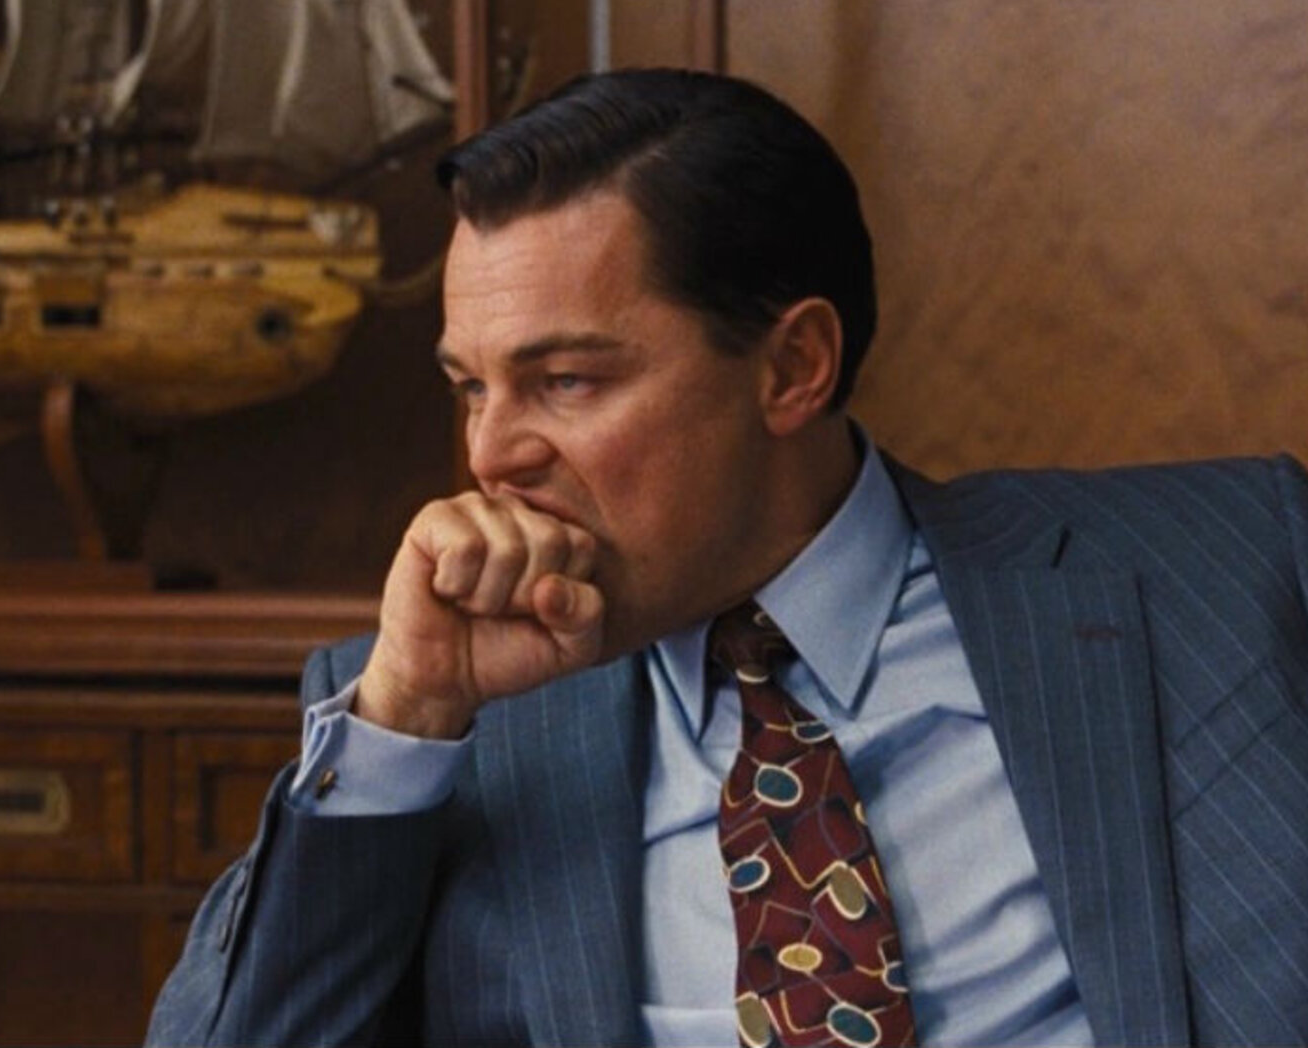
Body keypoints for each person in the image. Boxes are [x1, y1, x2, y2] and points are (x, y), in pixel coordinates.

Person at [146, 68, 1308, 1047]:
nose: (490, 455)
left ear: (793, 367)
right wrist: (406, 718)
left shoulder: (1232, 564)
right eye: (470, 388)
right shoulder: (434, 721)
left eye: (566, 381)